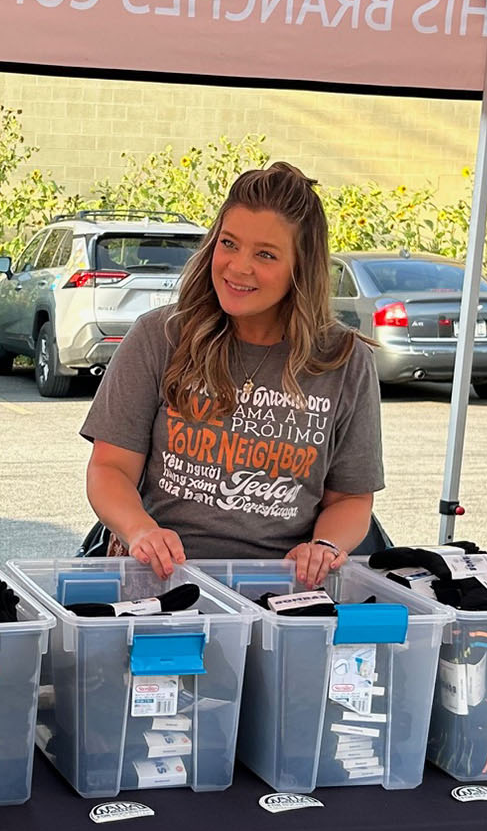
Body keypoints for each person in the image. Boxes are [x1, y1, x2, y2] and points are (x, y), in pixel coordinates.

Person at [82, 161, 383, 588]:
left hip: (285, 590)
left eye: (265, 254)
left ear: (302, 266)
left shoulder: (345, 360)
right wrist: (140, 530)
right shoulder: (159, 336)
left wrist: (326, 547)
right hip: (165, 579)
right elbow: (109, 469)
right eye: (229, 244)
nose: (238, 267)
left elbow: (352, 498)